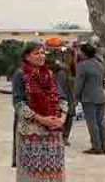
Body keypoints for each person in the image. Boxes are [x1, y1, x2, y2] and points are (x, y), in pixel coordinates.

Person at [12, 45, 66, 181]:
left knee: (53, 172)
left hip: (53, 132)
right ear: (26, 56)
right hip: (31, 134)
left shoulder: (50, 74)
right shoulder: (20, 74)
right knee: (32, 174)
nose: (41, 56)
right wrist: (41, 119)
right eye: (37, 53)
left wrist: (62, 119)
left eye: (43, 53)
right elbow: (18, 104)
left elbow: (62, 98)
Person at [75, 43, 105, 155]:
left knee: (92, 123)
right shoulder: (99, 64)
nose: (78, 52)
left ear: (84, 53)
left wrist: (76, 97)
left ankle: (96, 147)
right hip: (101, 96)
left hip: (89, 98)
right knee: (101, 122)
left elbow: (79, 83)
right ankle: (103, 146)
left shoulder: (82, 65)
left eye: (80, 51)